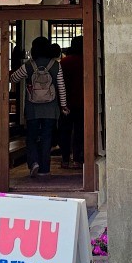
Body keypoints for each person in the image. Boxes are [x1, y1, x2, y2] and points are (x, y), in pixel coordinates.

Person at [10, 36, 68, 177]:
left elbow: (13, 78)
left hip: (32, 108)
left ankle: (34, 162)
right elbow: (61, 87)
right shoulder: (56, 65)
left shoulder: (29, 65)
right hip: (51, 108)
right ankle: (44, 169)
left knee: (31, 136)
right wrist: (64, 106)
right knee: (47, 137)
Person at [59, 36, 85, 168]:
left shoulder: (64, 62)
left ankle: (64, 159)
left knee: (65, 131)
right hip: (83, 101)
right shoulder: (86, 61)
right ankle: (77, 159)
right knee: (80, 131)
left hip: (66, 102)